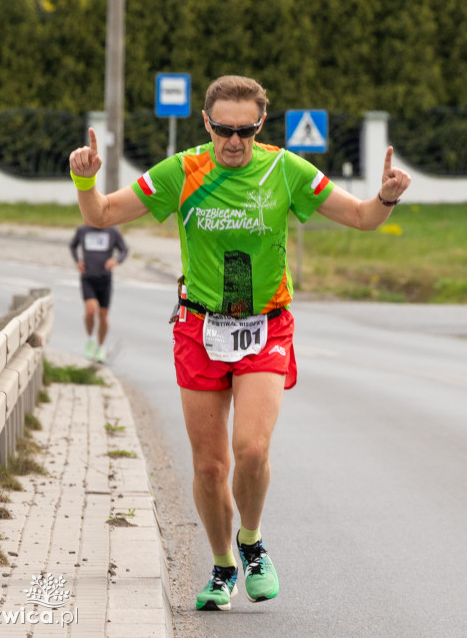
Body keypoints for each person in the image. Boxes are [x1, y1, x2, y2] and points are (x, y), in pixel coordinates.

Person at [67, 75, 410, 612]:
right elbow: (102, 215)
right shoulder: (183, 171)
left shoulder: (284, 169)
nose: (234, 141)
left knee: (251, 449)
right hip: (199, 328)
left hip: (265, 325)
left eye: (245, 130)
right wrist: (84, 182)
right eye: (224, 130)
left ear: (260, 125)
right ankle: (222, 563)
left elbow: (363, 218)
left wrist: (386, 197)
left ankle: (251, 540)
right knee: (209, 466)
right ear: (206, 123)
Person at [69, 223, 128, 362]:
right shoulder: (83, 230)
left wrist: (116, 260)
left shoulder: (112, 231)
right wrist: (77, 261)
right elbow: (72, 246)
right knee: (90, 310)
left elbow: (124, 250)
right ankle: (90, 340)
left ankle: (100, 347)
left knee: (103, 317)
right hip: (88, 277)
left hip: (105, 279)